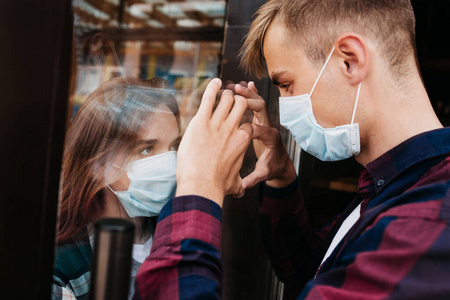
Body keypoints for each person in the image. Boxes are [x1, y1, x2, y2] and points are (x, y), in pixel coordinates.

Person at [133, 0, 450, 299]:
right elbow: (311, 272)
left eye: (286, 85)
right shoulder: (394, 184)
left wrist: (197, 185)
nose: (285, 106)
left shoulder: (423, 225)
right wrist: (282, 177)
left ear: (349, 60)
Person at [52, 76, 181, 299]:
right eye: (147, 149)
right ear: (98, 164)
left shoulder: (177, 237)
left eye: (174, 147)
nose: (169, 163)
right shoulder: (62, 265)